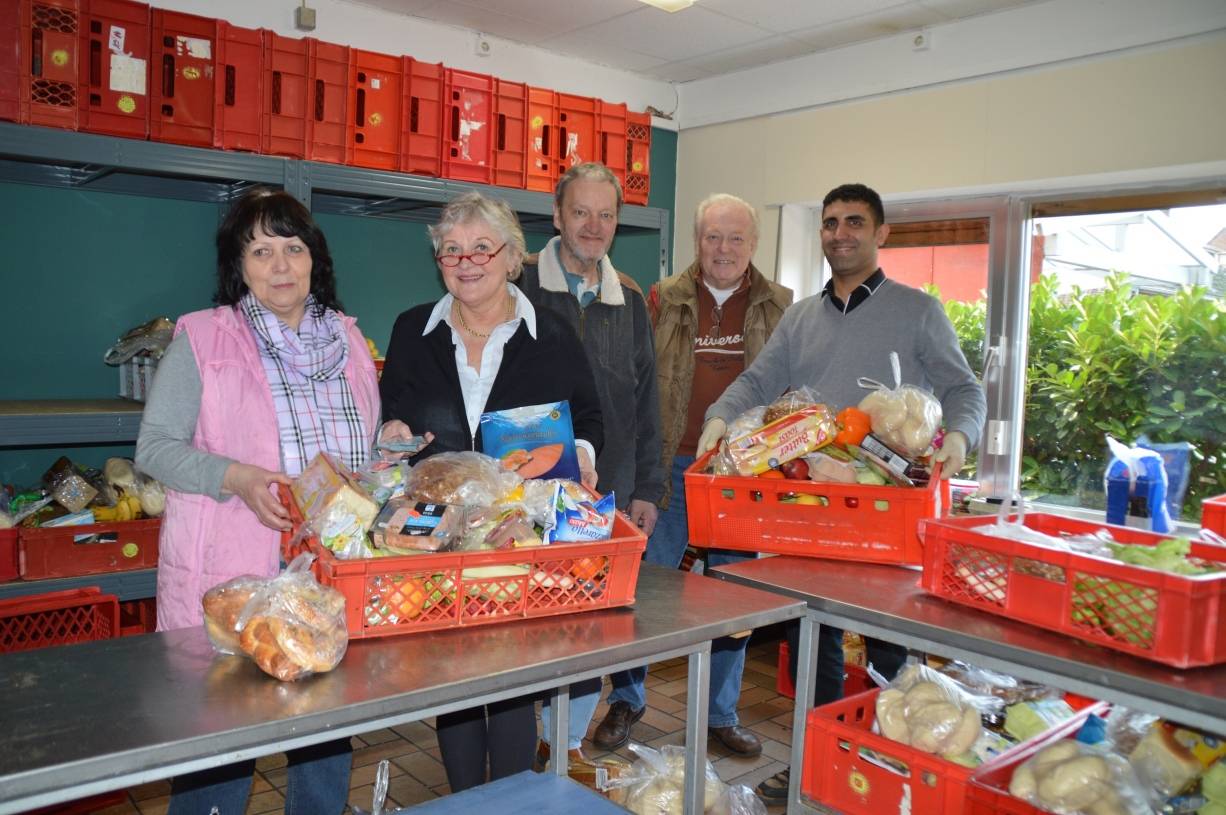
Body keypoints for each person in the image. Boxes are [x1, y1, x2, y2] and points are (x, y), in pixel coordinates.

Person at [692, 183, 986, 802]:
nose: (840, 233)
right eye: (830, 223)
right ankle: (814, 765)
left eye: (854, 222)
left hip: (885, 510)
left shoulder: (918, 311)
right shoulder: (802, 316)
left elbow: (965, 389)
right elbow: (758, 381)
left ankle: (891, 774)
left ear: (880, 234)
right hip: (811, 508)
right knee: (812, 641)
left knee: (889, 649)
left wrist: (960, 435)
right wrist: (719, 418)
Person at [136, 188, 381, 815]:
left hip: (323, 573)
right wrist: (236, 477)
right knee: (220, 738)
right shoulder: (202, 337)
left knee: (324, 732)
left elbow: (361, 450)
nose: (280, 266)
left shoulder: (350, 342)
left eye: (293, 248)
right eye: (261, 251)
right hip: (231, 576)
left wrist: (388, 450)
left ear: (314, 258)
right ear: (238, 265)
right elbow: (154, 449)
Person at [378, 191, 603, 792]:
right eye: (451, 250)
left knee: (512, 672)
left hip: (514, 530)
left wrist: (580, 457)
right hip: (433, 526)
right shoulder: (411, 330)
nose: (466, 262)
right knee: (449, 673)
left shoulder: (552, 334)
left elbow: (588, 416)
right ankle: (464, 797)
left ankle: (509, 797)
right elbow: (390, 411)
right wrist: (391, 431)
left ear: (512, 257)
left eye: (482, 247)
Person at [593, 193, 793, 758]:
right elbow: (637, 382)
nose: (723, 249)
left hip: (740, 477)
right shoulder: (663, 298)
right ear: (697, 240)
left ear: (753, 244)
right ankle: (627, 700)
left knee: (735, 599)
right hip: (668, 471)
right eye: (712, 237)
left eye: (735, 238)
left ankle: (720, 714)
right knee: (641, 591)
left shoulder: (781, 306)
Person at [517, 162, 665, 774]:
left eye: (606, 215)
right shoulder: (518, 280)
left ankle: (565, 743)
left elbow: (646, 399)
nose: (594, 226)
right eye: (581, 212)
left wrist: (647, 487)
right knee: (521, 625)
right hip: (523, 493)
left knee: (587, 623)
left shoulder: (628, 297)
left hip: (604, 493)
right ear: (557, 215)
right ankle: (518, 738)